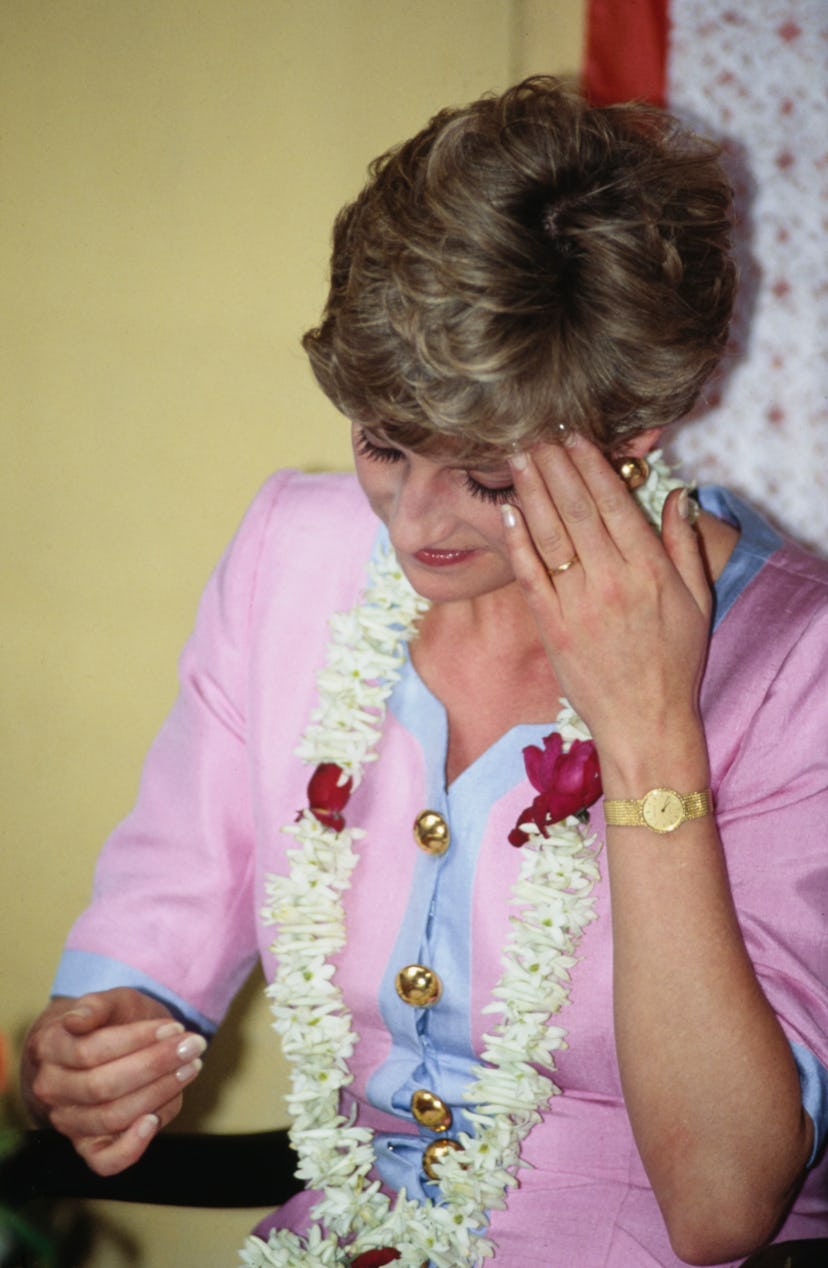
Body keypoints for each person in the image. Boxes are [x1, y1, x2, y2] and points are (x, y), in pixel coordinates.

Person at [20, 78, 828, 1267]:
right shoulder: (289, 557)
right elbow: (145, 939)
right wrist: (91, 1050)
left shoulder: (796, 658)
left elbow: (721, 1206)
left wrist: (651, 727)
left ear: (636, 428)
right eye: (384, 442)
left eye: (491, 477)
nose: (415, 516)